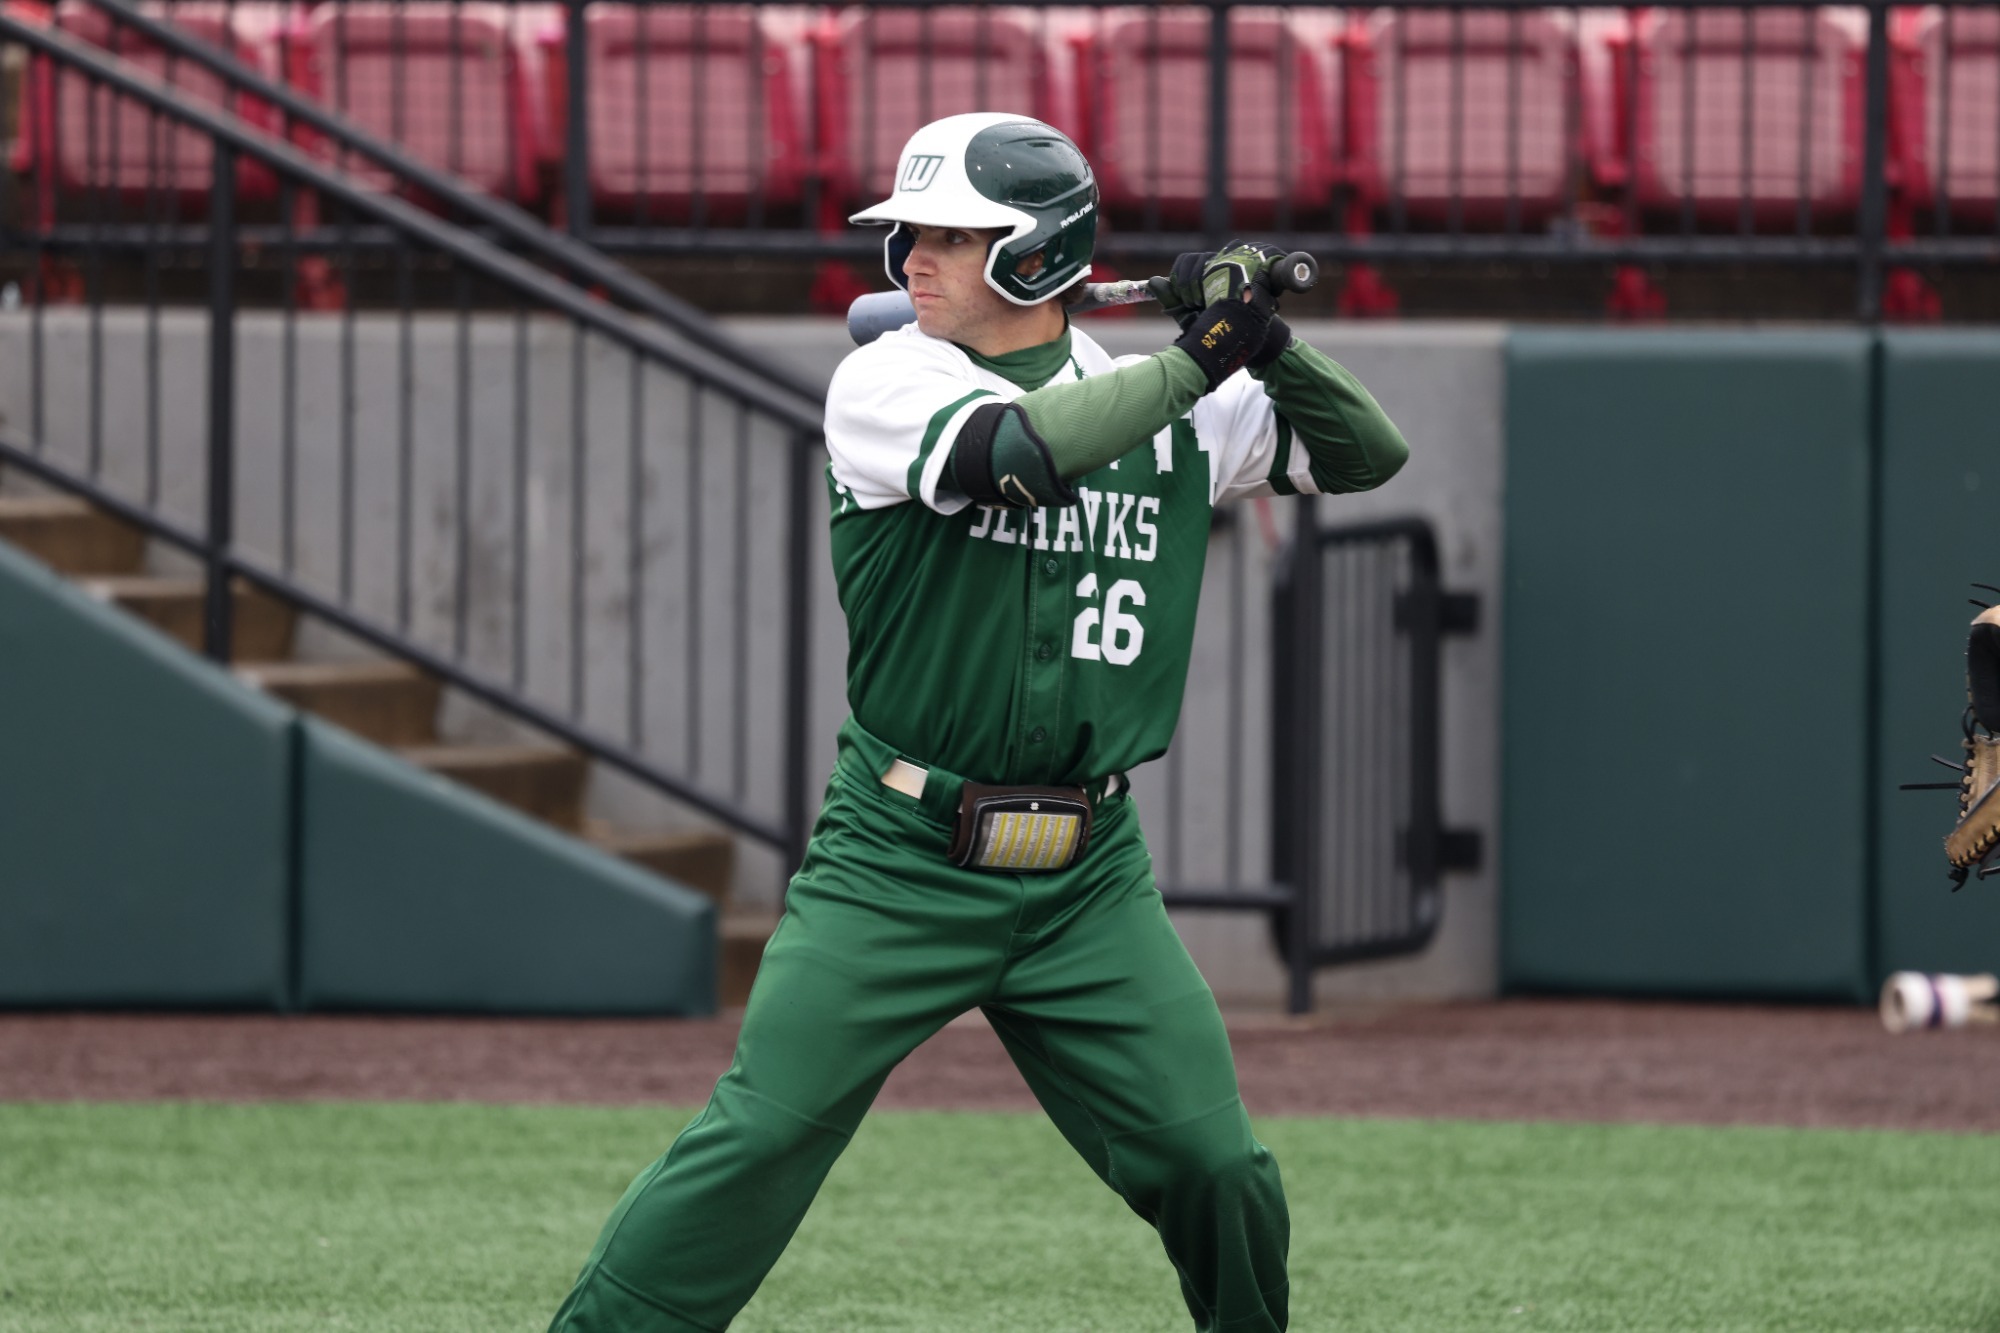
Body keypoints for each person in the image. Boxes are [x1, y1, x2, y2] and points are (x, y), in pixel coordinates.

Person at [547, 111, 1409, 1333]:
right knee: (759, 1137)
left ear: (1038, 253)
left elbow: (1367, 453)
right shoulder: (887, 378)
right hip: (896, 854)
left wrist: (1264, 342)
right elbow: (1019, 453)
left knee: (1214, 1165)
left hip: (1087, 876)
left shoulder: (1160, 397)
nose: (913, 259)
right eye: (911, 234)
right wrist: (1197, 356)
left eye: (953, 237)